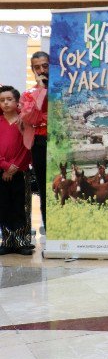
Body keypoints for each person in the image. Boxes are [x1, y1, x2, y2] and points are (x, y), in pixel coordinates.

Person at [0, 86, 32, 256]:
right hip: (1, 172)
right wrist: (5, 166)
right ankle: (7, 240)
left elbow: (27, 148)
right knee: (3, 205)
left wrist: (15, 167)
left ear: (17, 101)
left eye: (9, 99)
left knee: (21, 205)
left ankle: (21, 241)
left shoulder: (24, 121)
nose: (5, 103)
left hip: (21, 171)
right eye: (2, 100)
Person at [19, 51, 48, 233]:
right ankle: (48, 226)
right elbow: (31, 117)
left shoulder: (60, 89)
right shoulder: (28, 94)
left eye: (45, 66)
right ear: (32, 70)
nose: (42, 70)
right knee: (44, 186)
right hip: (39, 142)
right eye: (37, 67)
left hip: (60, 141)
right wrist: (41, 90)